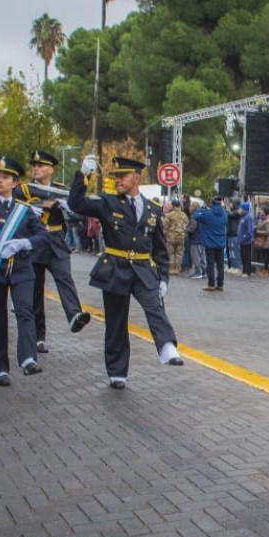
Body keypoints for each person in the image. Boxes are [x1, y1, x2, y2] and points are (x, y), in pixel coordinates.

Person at [69, 155, 184, 389]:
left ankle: (166, 346)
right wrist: (83, 175)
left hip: (142, 269)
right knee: (116, 321)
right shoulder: (108, 202)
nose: (117, 180)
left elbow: (159, 248)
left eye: (122, 176)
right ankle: (117, 371)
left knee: (154, 306)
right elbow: (76, 204)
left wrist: (163, 277)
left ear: (136, 178)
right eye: (116, 176)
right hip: (115, 268)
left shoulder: (152, 209)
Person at [0, 156, 48, 385]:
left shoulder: (24, 210)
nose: (0, 181)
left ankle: (28, 358)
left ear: (15, 182)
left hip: (20, 267)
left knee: (25, 311)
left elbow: (42, 236)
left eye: (5, 177)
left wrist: (24, 243)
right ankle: (0, 368)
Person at [16, 149, 91, 354]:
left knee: (64, 277)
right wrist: (34, 207)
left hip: (56, 241)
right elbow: (14, 206)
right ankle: (38, 336)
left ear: (50, 169)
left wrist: (68, 208)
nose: (36, 168)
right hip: (35, 241)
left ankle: (75, 314)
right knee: (35, 291)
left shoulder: (60, 190)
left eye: (40, 166)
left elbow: (77, 212)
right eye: (35, 166)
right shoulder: (24, 190)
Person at [195, 197, 228, 291]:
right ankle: (220, 284)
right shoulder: (225, 214)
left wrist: (201, 208)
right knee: (220, 264)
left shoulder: (208, 214)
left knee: (210, 264)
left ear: (212, 204)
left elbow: (196, 216)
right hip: (221, 242)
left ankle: (211, 283)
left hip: (209, 242)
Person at [162, 198, 189, 274]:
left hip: (171, 237)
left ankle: (171, 269)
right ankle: (177, 269)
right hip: (181, 237)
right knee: (179, 253)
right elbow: (186, 224)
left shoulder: (169, 215)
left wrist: (165, 234)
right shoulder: (184, 215)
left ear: (173, 206)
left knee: (171, 253)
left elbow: (165, 226)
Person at [186, 198, 206, 279]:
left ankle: (198, 272)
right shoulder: (202, 215)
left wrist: (186, 229)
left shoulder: (194, 216)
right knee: (202, 256)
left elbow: (192, 228)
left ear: (194, 207)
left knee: (196, 257)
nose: (189, 208)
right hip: (202, 239)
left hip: (195, 239)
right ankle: (204, 271)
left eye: (191, 206)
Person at [253, 206, 269, 275]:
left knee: (266, 255)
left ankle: (266, 270)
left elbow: (267, 231)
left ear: (265, 212)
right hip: (262, 239)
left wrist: (257, 231)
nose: (260, 211)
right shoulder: (261, 218)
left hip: (267, 239)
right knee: (263, 254)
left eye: (262, 210)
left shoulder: (268, 219)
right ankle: (264, 269)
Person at [237, 201, 255, 276]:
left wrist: (246, 237)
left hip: (247, 241)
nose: (239, 209)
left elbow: (249, 230)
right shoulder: (243, 217)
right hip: (242, 240)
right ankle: (244, 270)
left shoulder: (248, 217)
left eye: (240, 208)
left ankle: (247, 271)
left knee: (247, 257)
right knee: (243, 256)